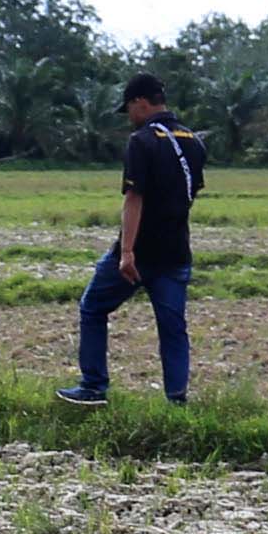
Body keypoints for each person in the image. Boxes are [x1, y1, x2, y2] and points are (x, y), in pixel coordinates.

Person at [54, 76, 198, 407]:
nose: (129, 116)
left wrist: (128, 252)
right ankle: (176, 400)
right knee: (173, 327)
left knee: (92, 308)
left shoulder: (142, 141)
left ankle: (93, 386)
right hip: (176, 252)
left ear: (140, 103)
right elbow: (188, 195)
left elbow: (135, 198)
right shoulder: (193, 141)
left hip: (141, 252)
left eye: (129, 108)